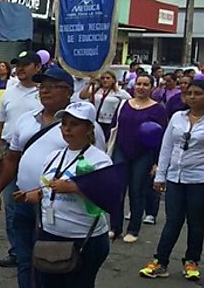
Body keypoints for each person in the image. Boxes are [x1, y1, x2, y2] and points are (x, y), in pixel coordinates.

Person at [0, 67, 106, 288]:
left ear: (69, 91)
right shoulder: (26, 120)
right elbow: (12, 159)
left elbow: (98, 172)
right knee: (25, 260)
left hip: (62, 210)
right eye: (42, 87)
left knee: (57, 265)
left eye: (53, 87)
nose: (46, 91)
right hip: (24, 200)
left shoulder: (89, 129)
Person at [22, 102, 112, 288]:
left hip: (84, 239)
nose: (67, 129)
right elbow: (49, 187)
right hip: (49, 234)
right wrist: (36, 194)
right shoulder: (53, 156)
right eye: (64, 124)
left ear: (89, 129)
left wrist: (75, 188)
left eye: (75, 124)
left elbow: (107, 199)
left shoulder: (100, 160)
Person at [138, 78, 204, 281]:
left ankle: (191, 261)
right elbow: (166, 148)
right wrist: (160, 176)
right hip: (175, 178)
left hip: (199, 180)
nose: (192, 97)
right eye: (189, 93)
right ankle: (160, 261)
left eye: (198, 93)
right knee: (172, 221)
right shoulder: (177, 117)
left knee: (196, 222)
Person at [0, 51, 42, 269]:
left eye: (26, 65)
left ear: (38, 67)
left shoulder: (44, 92)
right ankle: (17, 250)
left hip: (38, 153)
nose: (20, 69)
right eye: (18, 65)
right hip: (11, 152)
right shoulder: (9, 92)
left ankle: (40, 250)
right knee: (12, 203)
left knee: (39, 203)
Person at [109, 74, 167, 243]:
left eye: (146, 84)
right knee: (117, 191)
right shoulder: (124, 105)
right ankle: (115, 227)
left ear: (152, 87)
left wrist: (157, 162)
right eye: (139, 84)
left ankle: (133, 229)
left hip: (143, 155)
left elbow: (161, 137)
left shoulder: (158, 109)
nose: (141, 87)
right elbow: (114, 128)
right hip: (121, 151)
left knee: (137, 191)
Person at [78, 70, 131, 138]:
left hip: (109, 122)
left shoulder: (119, 92)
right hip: (95, 121)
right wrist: (89, 83)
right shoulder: (96, 89)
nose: (105, 80)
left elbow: (130, 101)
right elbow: (82, 96)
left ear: (113, 80)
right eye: (103, 78)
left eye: (108, 78)